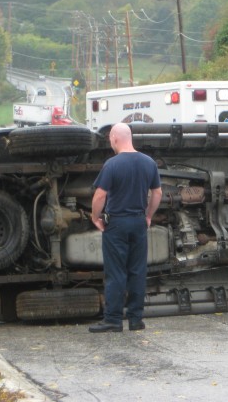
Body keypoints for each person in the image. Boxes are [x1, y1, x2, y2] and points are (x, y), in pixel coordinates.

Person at [89, 123, 163, 332]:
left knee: (116, 272)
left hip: (117, 223)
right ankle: (135, 319)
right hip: (139, 222)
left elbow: (100, 195)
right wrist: (148, 215)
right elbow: (157, 193)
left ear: (114, 138)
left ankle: (112, 320)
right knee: (137, 271)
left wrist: (95, 217)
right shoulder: (149, 163)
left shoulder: (112, 164)